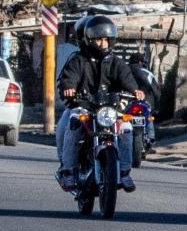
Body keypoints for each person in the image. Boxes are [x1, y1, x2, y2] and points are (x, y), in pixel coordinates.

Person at [56, 15, 141, 193]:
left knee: (127, 128)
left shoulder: (116, 62)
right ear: (89, 39)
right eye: (98, 39)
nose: (103, 44)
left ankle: (124, 172)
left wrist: (135, 91)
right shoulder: (79, 60)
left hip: (109, 109)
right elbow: (68, 78)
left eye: (106, 39)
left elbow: (127, 80)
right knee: (72, 125)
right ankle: (68, 171)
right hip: (83, 106)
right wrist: (69, 88)